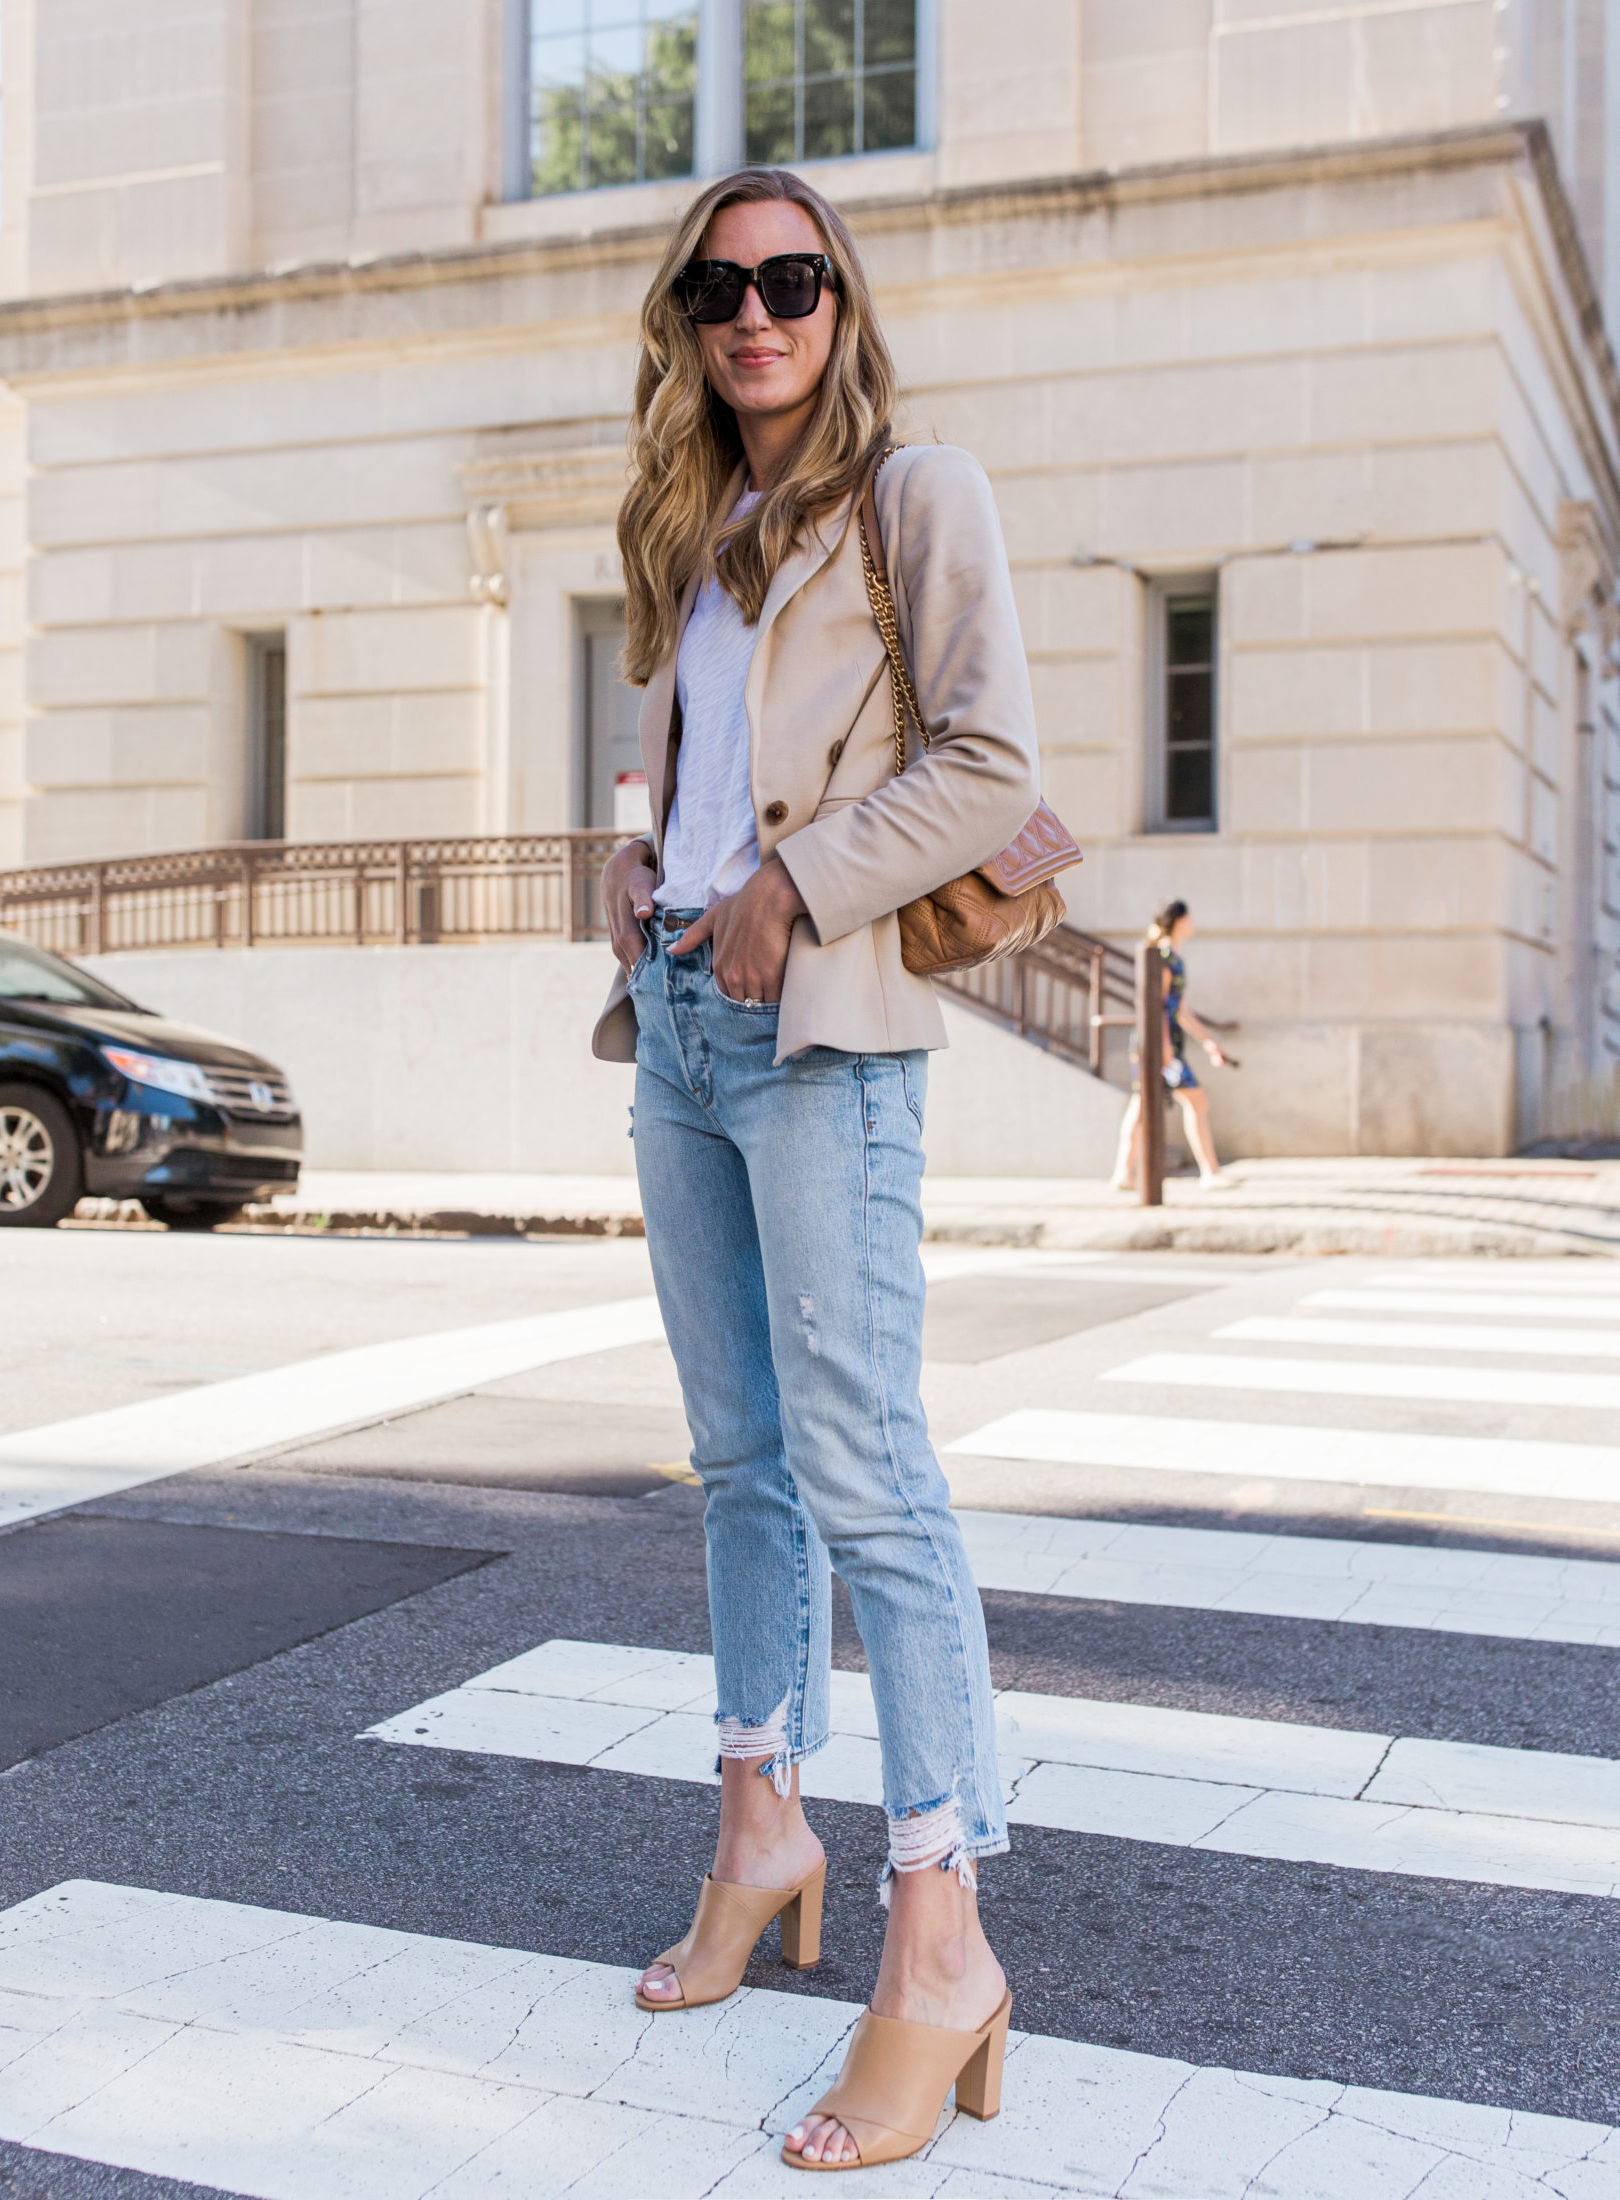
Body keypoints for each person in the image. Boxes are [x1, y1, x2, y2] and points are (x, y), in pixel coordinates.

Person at [593, 164, 1036, 2172]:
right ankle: (757, 1821)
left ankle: (936, 1932)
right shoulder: (696, 519)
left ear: (840, 301)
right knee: (735, 1455)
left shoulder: (913, 494)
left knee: (867, 1467)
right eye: (719, 284)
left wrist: (790, 877)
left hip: (820, 1029)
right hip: (680, 1022)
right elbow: (681, 749)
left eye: (790, 279)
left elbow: (989, 763)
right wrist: (638, 846)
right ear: (687, 315)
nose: (754, 312)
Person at [1109, 899, 1232, 1190]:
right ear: (1179, 921)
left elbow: (1181, 1011)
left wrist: (1207, 1041)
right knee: (1191, 1101)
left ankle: (1123, 1173)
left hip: (1163, 1043)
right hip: (1157, 1043)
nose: (1193, 922)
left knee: (1144, 1106)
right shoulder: (1162, 956)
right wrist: (1164, 1050)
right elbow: (1158, 1006)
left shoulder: (1174, 958)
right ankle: (1209, 1172)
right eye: (1189, 917)